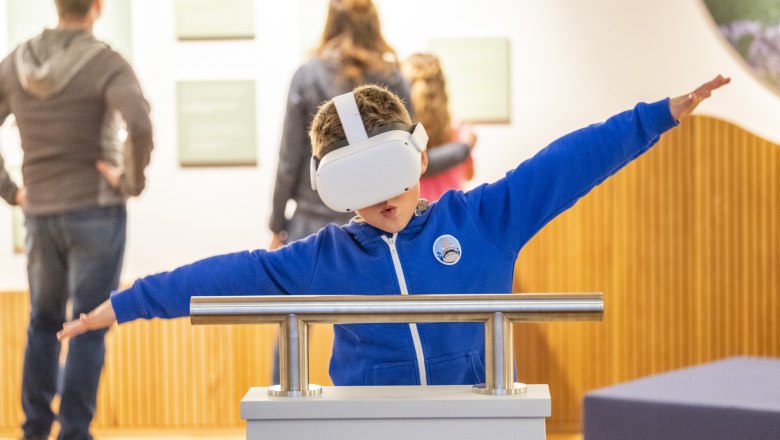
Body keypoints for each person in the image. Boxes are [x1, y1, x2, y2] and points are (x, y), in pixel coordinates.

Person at [58, 76, 729, 389]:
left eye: (390, 174)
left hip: (478, 416)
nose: (382, 199)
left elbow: (571, 160)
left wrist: (658, 115)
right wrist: (123, 305)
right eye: (359, 184)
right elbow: (221, 277)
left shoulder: (486, 219)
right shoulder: (324, 261)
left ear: (417, 157)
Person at [267, 0, 471, 383]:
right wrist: (462, 149)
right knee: (382, 326)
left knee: (291, 325)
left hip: (311, 217)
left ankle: (286, 409)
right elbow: (410, 154)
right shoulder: (390, 76)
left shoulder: (306, 75)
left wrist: (277, 224)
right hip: (379, 219)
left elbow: (289, 160)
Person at [0, 0, 154, 438]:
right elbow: (140, 124)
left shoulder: (15, 64)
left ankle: (33, 430)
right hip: (96, 211)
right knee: (87, 323)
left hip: (40, 213)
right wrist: (131, 181)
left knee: (42, 321)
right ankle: (73, 431)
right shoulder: (105, 62)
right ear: (97, 7)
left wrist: (12, 191)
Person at [403, 52, 477, 201]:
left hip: (414, 218)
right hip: (452, 217)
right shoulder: (461, 132)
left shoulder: (403, 135)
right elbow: (469, 175)